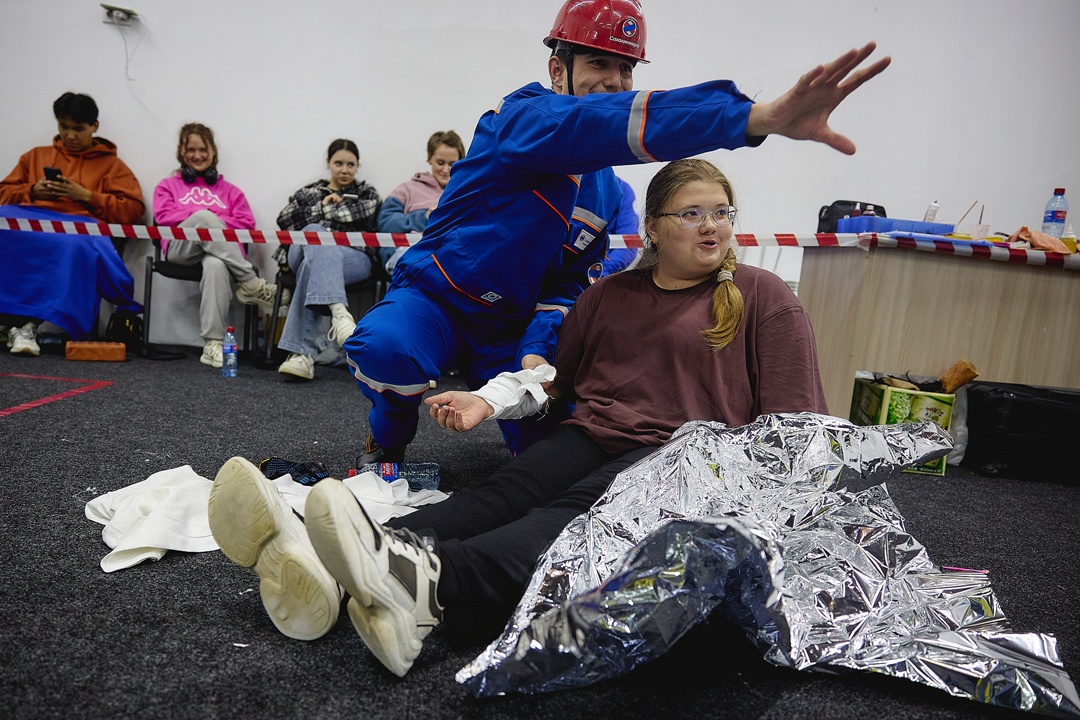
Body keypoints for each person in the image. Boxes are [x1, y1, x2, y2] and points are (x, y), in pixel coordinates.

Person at [208, 158, 829, 677]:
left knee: (566, 517)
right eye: (692, 213)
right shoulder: (608, 297)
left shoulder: (761, 294)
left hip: (688, 459)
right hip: (597, 431)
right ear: (652, 229)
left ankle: (432, 588)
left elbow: (797, 426)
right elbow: (556, 383)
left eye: (722, 211)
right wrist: (488, 401)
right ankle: (346, 571)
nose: (712, 225)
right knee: (507, 492)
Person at [344, 0, 889, 467]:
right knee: (390, 351)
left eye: (626, 69)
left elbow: (568, 283)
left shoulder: (606, 195)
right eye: (599, 63)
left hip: (509, 328)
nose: (615, 81)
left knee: (556, 447)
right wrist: (751, 118)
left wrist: (535, 352)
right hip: (436, 300)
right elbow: (594, 123)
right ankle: (387, 438)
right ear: (558, 69)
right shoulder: (516, 120)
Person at [0, 92, 144, 355]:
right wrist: (32, 191)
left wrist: (86, 196)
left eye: (78, 129)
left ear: (94, 127)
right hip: (30, 221)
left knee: (72, 244)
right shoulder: (34, 156)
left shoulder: (112, 166)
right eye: (64, 128)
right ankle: (15, 323)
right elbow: (3, 193)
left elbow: (132, 212)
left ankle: (23, 325)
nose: (70, 136)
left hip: (77, 228)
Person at [152, 123, 280, 369]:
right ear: (181, 151)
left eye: (203, 149)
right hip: (181, 249)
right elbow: (164, 217)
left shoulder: (231, 192)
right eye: (191, 149)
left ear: (213, 152)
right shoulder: (167, 187)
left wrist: (212, 221)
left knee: (215, 263)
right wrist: (205, 215)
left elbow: (246, 225)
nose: (197, 155)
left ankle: (212, 343)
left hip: (221, 253)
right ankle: (250, 283)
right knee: (202, 217)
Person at [273, 138, 381, 381]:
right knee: (315, 231)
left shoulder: (367, 193)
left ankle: (301, 356)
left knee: (317, 257)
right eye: (339, 163)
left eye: (350, 164)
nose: (344, 170)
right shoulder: (309, 192)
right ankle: (340, 313)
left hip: (353, 258)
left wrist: (322, 217)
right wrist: (320, 208)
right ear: (328, 163)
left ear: (357, 166)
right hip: (299, 252)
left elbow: (363, 211)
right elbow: (285, 220)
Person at [375, 130, 466, 274]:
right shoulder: (407, 189)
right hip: (408, 253)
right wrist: (424, 217)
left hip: (449, 256)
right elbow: (385, 223)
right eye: (440, 162)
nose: (445, 169)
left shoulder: (464, 195)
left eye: (452, 164)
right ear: (429, 158)